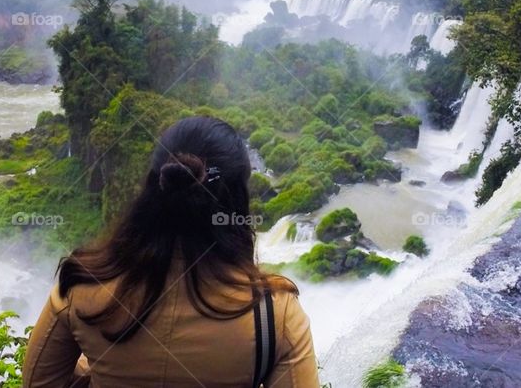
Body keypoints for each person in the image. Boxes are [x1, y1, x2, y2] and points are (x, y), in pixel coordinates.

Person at [22, 116, 319, 387]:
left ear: (153, 187)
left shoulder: (82, 285)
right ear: (237, 201)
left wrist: (95, 369)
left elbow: (38, 383)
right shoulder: (273, 315)